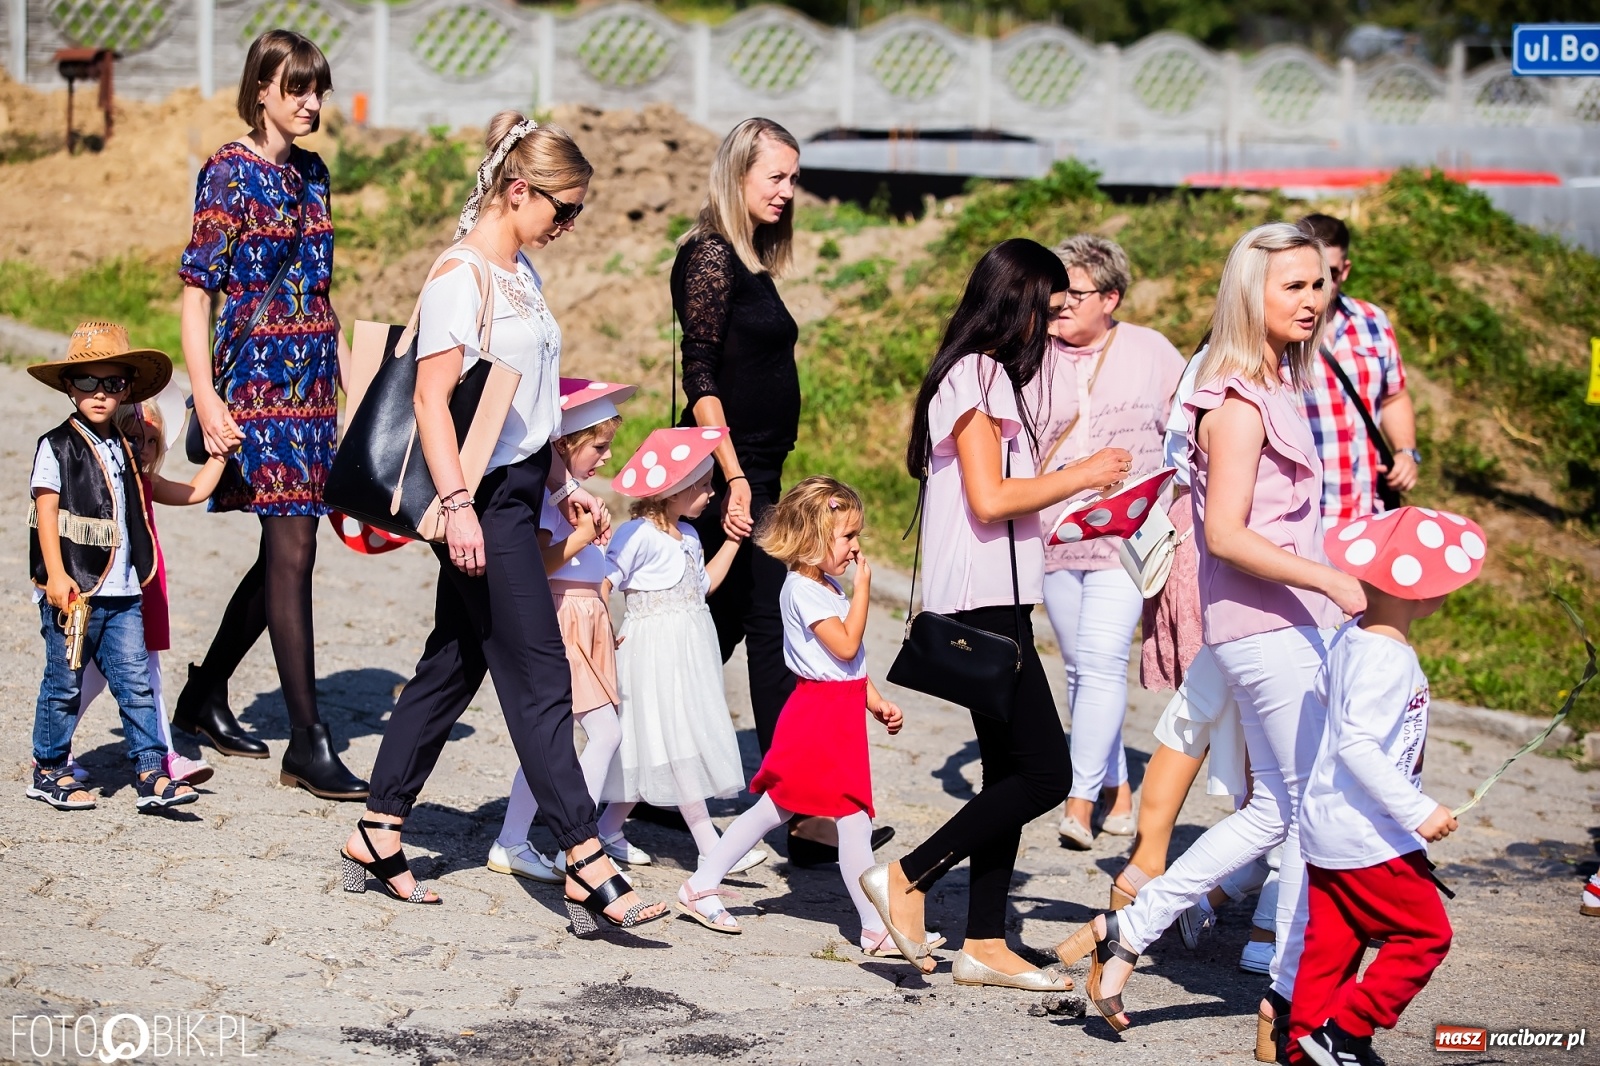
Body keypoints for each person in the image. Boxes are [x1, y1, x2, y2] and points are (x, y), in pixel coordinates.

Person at [342, 112, 667, 936]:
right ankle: (583, 856)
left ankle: (378, 830)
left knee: (453, 663)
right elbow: (431, 401)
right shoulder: (460, 276)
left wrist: (562, 483)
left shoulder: (521, 269)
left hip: (520, 490)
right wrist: (456, 508)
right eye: (565, 211)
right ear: (518, 190)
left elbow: (523, 404)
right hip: (477, 500)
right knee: (538, 674)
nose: (569, 226)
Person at [1057, 224, 1357, 1047]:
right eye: (1290, 285)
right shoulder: (1236, 400)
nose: (1310, 298)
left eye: (1317, 284)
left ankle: (1128, 937)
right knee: (1306, 817)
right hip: (1265, 627)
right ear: (1248, 295)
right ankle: (1287, 1004)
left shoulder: (1277, 381)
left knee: (1273, 815)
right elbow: (1223, 533)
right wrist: (1330, 578)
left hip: (1287, 623)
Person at [860, 238, 1130, 987]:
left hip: (999, 590)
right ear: (1016, 307)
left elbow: (1006, 499)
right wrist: (1082, 474)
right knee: (1046, 773)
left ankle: (983, 942)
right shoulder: (976, 375)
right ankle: (908, 877)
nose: (1051, 324)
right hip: (981, 598)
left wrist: (1077, 496)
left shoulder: (990, 377)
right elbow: (990, 499)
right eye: (1045, 310)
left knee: (1010, 771)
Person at [673, 117, 885, 864]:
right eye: (777, 178)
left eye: (793, 178)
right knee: (769, 626)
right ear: (738, 176)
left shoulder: (750, 261)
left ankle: (663, 778)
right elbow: (700, 376)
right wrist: (732, 477)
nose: (789, 191)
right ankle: (798, 808)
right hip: (725, 473)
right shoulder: (707, 258)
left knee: (714, 626)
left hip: (761, 467)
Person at [174, 29, 366, 799]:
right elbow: (197, 295)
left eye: (318, 89)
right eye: (297, 90)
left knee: (284, 549)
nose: (313, 103)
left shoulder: (315, 175)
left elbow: (319, 293)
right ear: (261, 90)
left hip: (315, 382)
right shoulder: (226, 172)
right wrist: (208, 394)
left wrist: (353, 391)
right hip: (256, 386)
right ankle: (309, 741)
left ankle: (203, 691)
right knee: (293, 551)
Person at [677, 477, 916, 957]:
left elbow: (847, 661)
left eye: (856, 536)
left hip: (837, 712)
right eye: (847, 536)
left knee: (789, 810)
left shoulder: (825, 586)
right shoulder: (803, 591)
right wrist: (865, 591)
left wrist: (874, 700)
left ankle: (702, 884)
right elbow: (847, 641)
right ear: (811, 540)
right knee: (841, 815)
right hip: (817, 716)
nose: (855, 548)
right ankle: (873, 926)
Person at [1290, 505, 1480, 1066]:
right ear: (1424, 595)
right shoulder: (1390, 659)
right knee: (1425, 936)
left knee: (1333, 945)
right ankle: (1347, 1032)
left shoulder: (1351, 637)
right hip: (1371, 835)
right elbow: (1357, 746)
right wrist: (1417, 808)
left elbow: (1325, 695)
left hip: (1326, 827)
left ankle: (1305, 1046)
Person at [1034, 234, 1184, 851]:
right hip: (1050, 531)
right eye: (1056, 292)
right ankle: (1119, 789)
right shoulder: (1033, 352)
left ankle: (1079, 799)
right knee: (1079, 670)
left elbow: (1189, 429)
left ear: (1111, 297)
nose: (1060, 304)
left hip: (1129, 536)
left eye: (1074, 293)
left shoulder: (1152, 351)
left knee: (1099, 662)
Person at [25, 322, 196, 813]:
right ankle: (49, 769)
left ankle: (150, 769)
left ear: (126, 390)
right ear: (68, 385)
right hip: (74, 591)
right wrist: (55, 576)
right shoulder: (55, 445)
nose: (100, 394)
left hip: (123, 591)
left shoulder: (124, 445)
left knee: (136, 682)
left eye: (113, 384)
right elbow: (47, 509)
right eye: (86, 382)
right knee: (64, 683)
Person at [596, 428, 767, 875]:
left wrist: (733, 542)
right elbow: (604, 581)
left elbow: (702, 586)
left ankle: (608, 828)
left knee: (657, 742)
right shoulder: (636, 535)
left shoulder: (688, 535)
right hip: (652, 654)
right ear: (673, 491)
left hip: (687, 653)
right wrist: (600, 626)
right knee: (671, 744)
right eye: (704, 485)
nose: (712, 493)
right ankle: (712, 845)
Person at [486, 378, 635, 884]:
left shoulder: (576, 500)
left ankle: (512, 840)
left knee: (549, 742)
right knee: (602, 733)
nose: (607, 457)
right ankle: (575, 843)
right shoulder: (548, 502)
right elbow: (537, 564)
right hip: (562, 619)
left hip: (587, 619)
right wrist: (584, 537)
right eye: (598, 446)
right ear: (565, 445)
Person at [66, 395, 232, 789]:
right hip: (105, 585)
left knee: (143, 671)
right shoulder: (97, 475)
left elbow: (195, 491)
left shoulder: (146, 481)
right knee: (87, 674)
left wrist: (221, 456)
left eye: (151, 441)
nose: (141, 447)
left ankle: (161, 754)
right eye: (132, 436)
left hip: (144, 583)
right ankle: (57, 749)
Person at [1295, 214, 1420, 522]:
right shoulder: (1276, 333)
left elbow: (1393, 397)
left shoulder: (1372, 320)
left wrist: (1406, 452)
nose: (1320, 287)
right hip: (1305, 521)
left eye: (1330, 274)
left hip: (1369, 514)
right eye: (1312, 274)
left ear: (1345, 271)